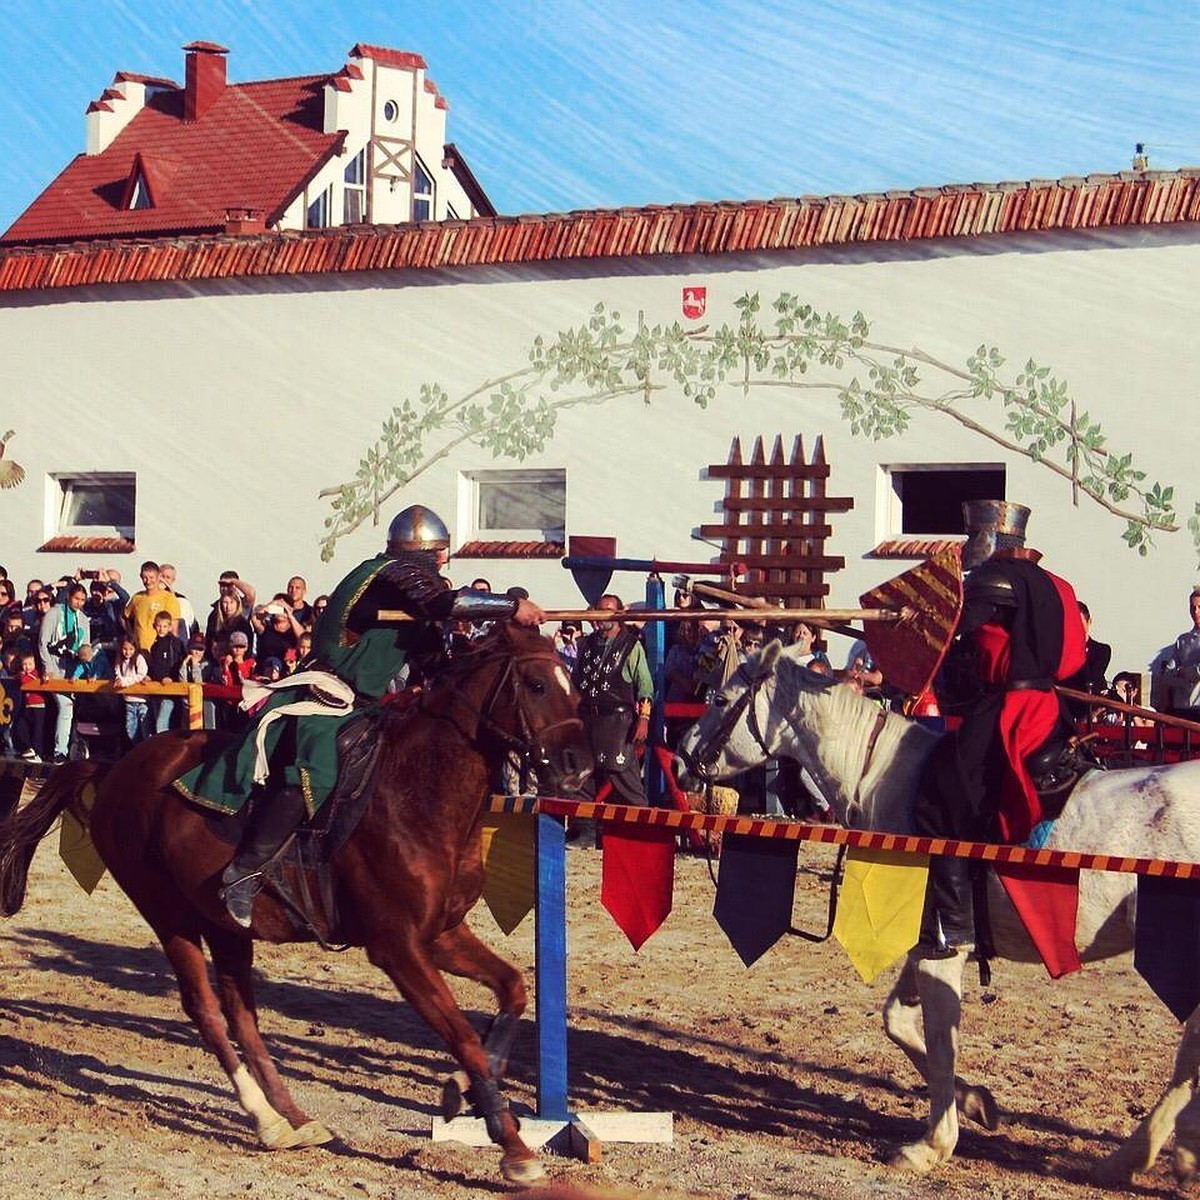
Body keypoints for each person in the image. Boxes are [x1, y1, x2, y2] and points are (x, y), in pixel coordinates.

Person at [176, 504, 547, 927]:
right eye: (439, 552)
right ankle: (244, 873)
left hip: (366, 704)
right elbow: (444, 601)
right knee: (317, 765)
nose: (443, 561)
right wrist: (510, 604)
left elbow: (434, 661)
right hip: (323, 694)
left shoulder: (411, 605)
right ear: (423, 553)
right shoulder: (386, 574)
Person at [917, 500, 1086, 955]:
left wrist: (914, 631)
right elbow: (1075, 659)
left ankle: (957, 924)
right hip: (1050, 706)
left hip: (1009, 710)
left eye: (974, 535)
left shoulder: (992, 580)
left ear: (989, 536)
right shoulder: (1060, 586)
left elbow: (954, 638)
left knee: (942, 796)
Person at [572, 593, 654, 806]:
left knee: (627, 783)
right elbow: (576, 683)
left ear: (618, 615)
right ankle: (587, 833)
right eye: (599, 609)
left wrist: (644, 718)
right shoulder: (587, 644)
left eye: (607, 610)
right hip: (587, 721)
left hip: (617, 725)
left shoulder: (631, 646)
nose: (601, 615)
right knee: (584, 783)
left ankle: (640, 832)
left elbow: (645, 685)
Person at [38, 581, 90, 763]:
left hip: (73, 670)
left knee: (68, 709)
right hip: (54, 667)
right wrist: (48, 668)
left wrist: (80, 671)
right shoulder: (54, 613)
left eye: (83, 600)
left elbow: (86, 648)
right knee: (65, 706)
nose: (79, 603)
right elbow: (43, 642)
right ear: (69, 597)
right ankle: (59, 750)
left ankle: (66, 748)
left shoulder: (83, 619)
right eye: (76, 598)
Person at [1061, 601, 1112, 722]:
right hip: (1066, 705)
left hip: (1089, 708)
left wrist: (1079, 647)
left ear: (1089, 622)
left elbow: (1091, 679)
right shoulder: (1061, 649)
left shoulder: (1101, 650)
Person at [125, 561, 182, 654]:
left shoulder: (169, 598)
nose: (148, 581)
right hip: (139, 651)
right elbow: (124, 617)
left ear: (159, 576)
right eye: (145, 578)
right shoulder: (137, 597)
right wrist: (130, 634)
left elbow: (174, 629)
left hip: (159, 652)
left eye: (151, 577)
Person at [1161, 588, 1200, 721]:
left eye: (1199, 607)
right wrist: (1183, 674)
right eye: (1192, 607)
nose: (1196, 612)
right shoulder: (1183, 640)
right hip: (1181, 707)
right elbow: (1167, 674)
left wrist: (1182, 672)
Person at [147, 610, 187, 732]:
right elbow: (154, 665)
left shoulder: (175, 643)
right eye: (159, 626)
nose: (161, 629)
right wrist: (149, 676)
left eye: (165, 626)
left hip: (170, 692)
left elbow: (180, 663)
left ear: (170, 627)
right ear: (154, 626)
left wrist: (172, 678)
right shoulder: (154, 645)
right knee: (155, 723)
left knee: (162, 725)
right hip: (156, 690)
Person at [112, 636, 150, 747]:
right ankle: (137, 749)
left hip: (142, 700)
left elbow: (141, 675)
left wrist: (124, 682)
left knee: (145, 728)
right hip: (129, 701)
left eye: (131, 649)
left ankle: (146, 750)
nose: (127, 652)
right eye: (125, 649)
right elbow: (117, 673)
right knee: (130, 729)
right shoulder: (119, 661)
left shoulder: (139, 659)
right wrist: (119, 680)